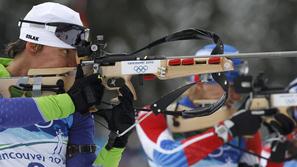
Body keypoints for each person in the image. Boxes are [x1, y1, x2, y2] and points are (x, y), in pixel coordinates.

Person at [0, 2, 134, 167]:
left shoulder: (69, 100)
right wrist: (73, 101)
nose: (73, 63)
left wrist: (116, 143)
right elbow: (3, 113)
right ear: (33, 46)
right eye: (64, 52)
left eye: (76, 55)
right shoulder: (69, 102)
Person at [136, 44, 290, 167]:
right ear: (202, 82)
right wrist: (228, 130)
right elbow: (167, 160)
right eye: (229, 87)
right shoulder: (152, 115)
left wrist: (277, 154)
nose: (236, 96)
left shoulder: (243, 125)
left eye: (239, 89)